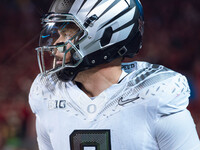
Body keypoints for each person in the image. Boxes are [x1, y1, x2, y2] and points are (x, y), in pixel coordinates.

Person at [29, 0, 200, 149]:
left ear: (106, 34)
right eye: (59, 34)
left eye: (67, 33)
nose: (57, 44)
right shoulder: (47, 95)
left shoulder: (153, 95)